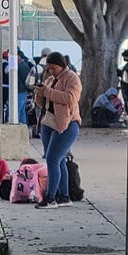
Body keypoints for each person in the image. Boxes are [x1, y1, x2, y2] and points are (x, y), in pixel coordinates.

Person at [32, 51, 82, 208]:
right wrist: (39, 93)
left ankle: (50, 197)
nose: (51, 71)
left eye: (53, 68)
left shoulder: (72, 78)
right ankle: (64, 196)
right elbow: (44, 102)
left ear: (62, 66)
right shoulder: (50, 79)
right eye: (49, 68)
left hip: (67, 124)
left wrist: (48, 92)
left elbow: (70, 98)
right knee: (57, 160)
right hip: (49, 122)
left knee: (53, 160)